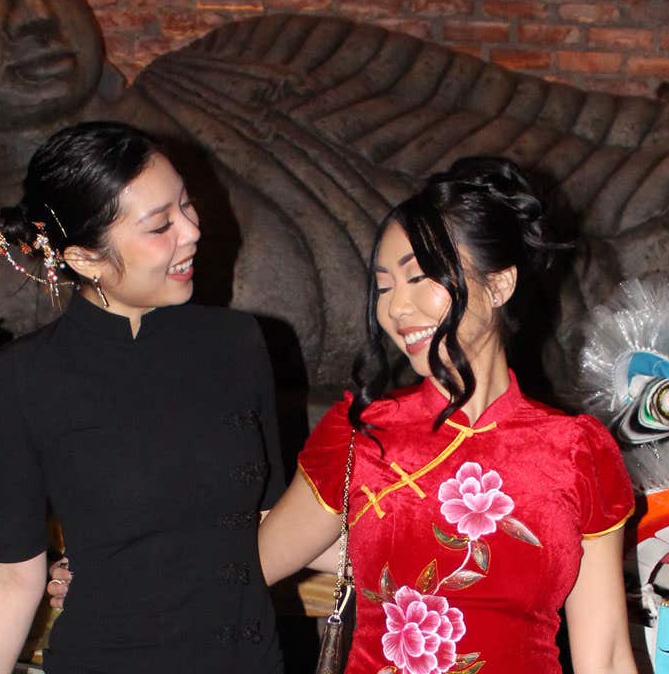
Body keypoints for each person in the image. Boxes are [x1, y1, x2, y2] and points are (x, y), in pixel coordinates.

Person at [256, 156, 638, 674]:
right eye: (385, 287)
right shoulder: (365, 434)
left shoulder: (575, 450)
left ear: (500, 285)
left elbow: (608, 657)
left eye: (420, 278)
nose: (395, 309)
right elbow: (245, 567)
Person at [0, 121, 285, 674]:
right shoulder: (23, 378)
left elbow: (277, 521)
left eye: (187, 206)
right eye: (161, 225)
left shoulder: (239, 343)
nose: (192, 232)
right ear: (86, 259)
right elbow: (18, 573)